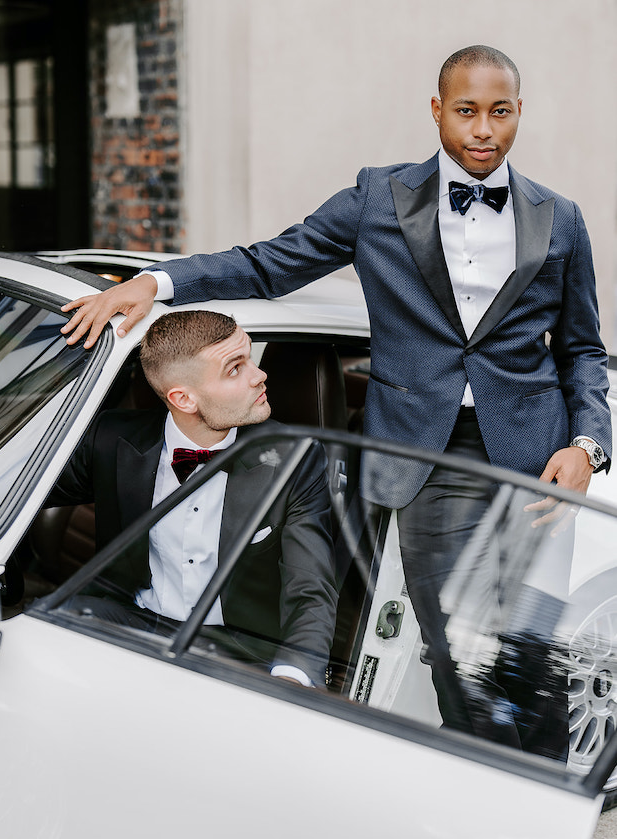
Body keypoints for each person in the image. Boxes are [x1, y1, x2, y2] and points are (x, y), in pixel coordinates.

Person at [59, 46, 611, 756]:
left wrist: (587, 446)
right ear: (437, 110)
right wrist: (156, 284)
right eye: (467, 111)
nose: (483, 130)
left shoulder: (559, 218)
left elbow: (583, 349)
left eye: (499, 112)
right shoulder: (377, 199)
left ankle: (547, 798)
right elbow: (267, 263)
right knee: (460, 656)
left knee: (531, 660)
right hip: (424, 456)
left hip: (537, 461)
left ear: (519, 113)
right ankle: (490, 792)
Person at [47, 310, 338, 688]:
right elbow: (17, 491)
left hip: (234, 645)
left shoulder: (294, 458)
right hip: (130, 618)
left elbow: (311, 588)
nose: (259, 375)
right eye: (235, 369)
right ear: (183, 399)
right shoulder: (112, 438)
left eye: (249, 356)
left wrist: (293, 676)